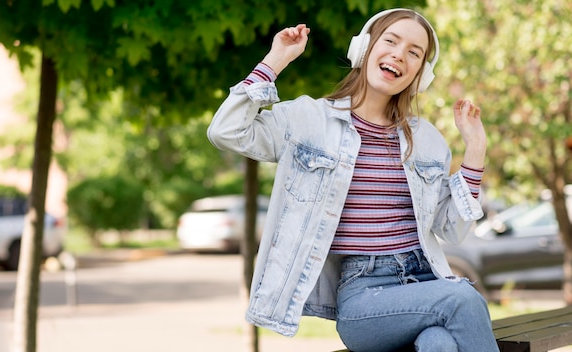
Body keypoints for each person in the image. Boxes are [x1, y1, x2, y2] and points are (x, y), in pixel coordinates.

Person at [207, 7, 499, 352]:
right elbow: (226, 131)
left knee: (438, 344)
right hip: (365, 295)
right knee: (462, 298)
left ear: (421, 74)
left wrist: (476, 149)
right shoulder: (309, 120)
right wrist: (274, 62)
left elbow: (451, 229)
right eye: (390, 41)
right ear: (364, 48)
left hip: (423, 279)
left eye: (414, 52)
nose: (399, 55)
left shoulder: (428, 140)